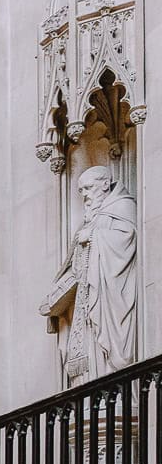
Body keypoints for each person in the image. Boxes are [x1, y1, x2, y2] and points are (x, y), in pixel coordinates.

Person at [41, 165, 139, 386]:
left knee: (104, 350)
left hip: (107, 301)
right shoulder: (90, 219)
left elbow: (127, 239)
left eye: (87, 188)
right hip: (85, 305)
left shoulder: (123, 207)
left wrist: (94, 236)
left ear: (105, 184)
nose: (84, 194)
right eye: (80, 190)